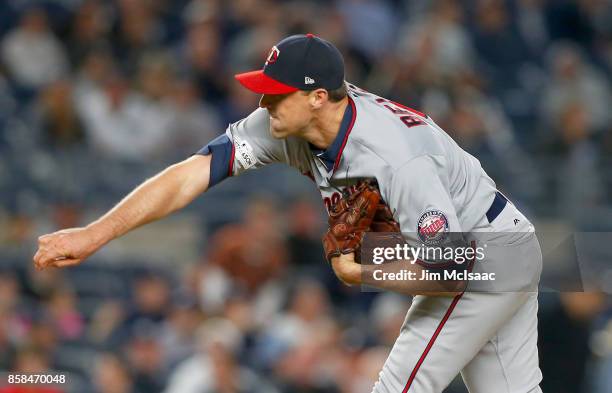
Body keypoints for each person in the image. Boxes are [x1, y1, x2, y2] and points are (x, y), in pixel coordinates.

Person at [34, 34, 543, 393]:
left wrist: (364, 268)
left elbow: (453, 273)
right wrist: (96, 233)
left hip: (482, 253)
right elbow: (191, 173)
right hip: (496, 243)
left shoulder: (392, 154)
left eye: (277, 93)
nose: (264, 100)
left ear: (319, 97)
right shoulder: (283, 122)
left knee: (400, 386)